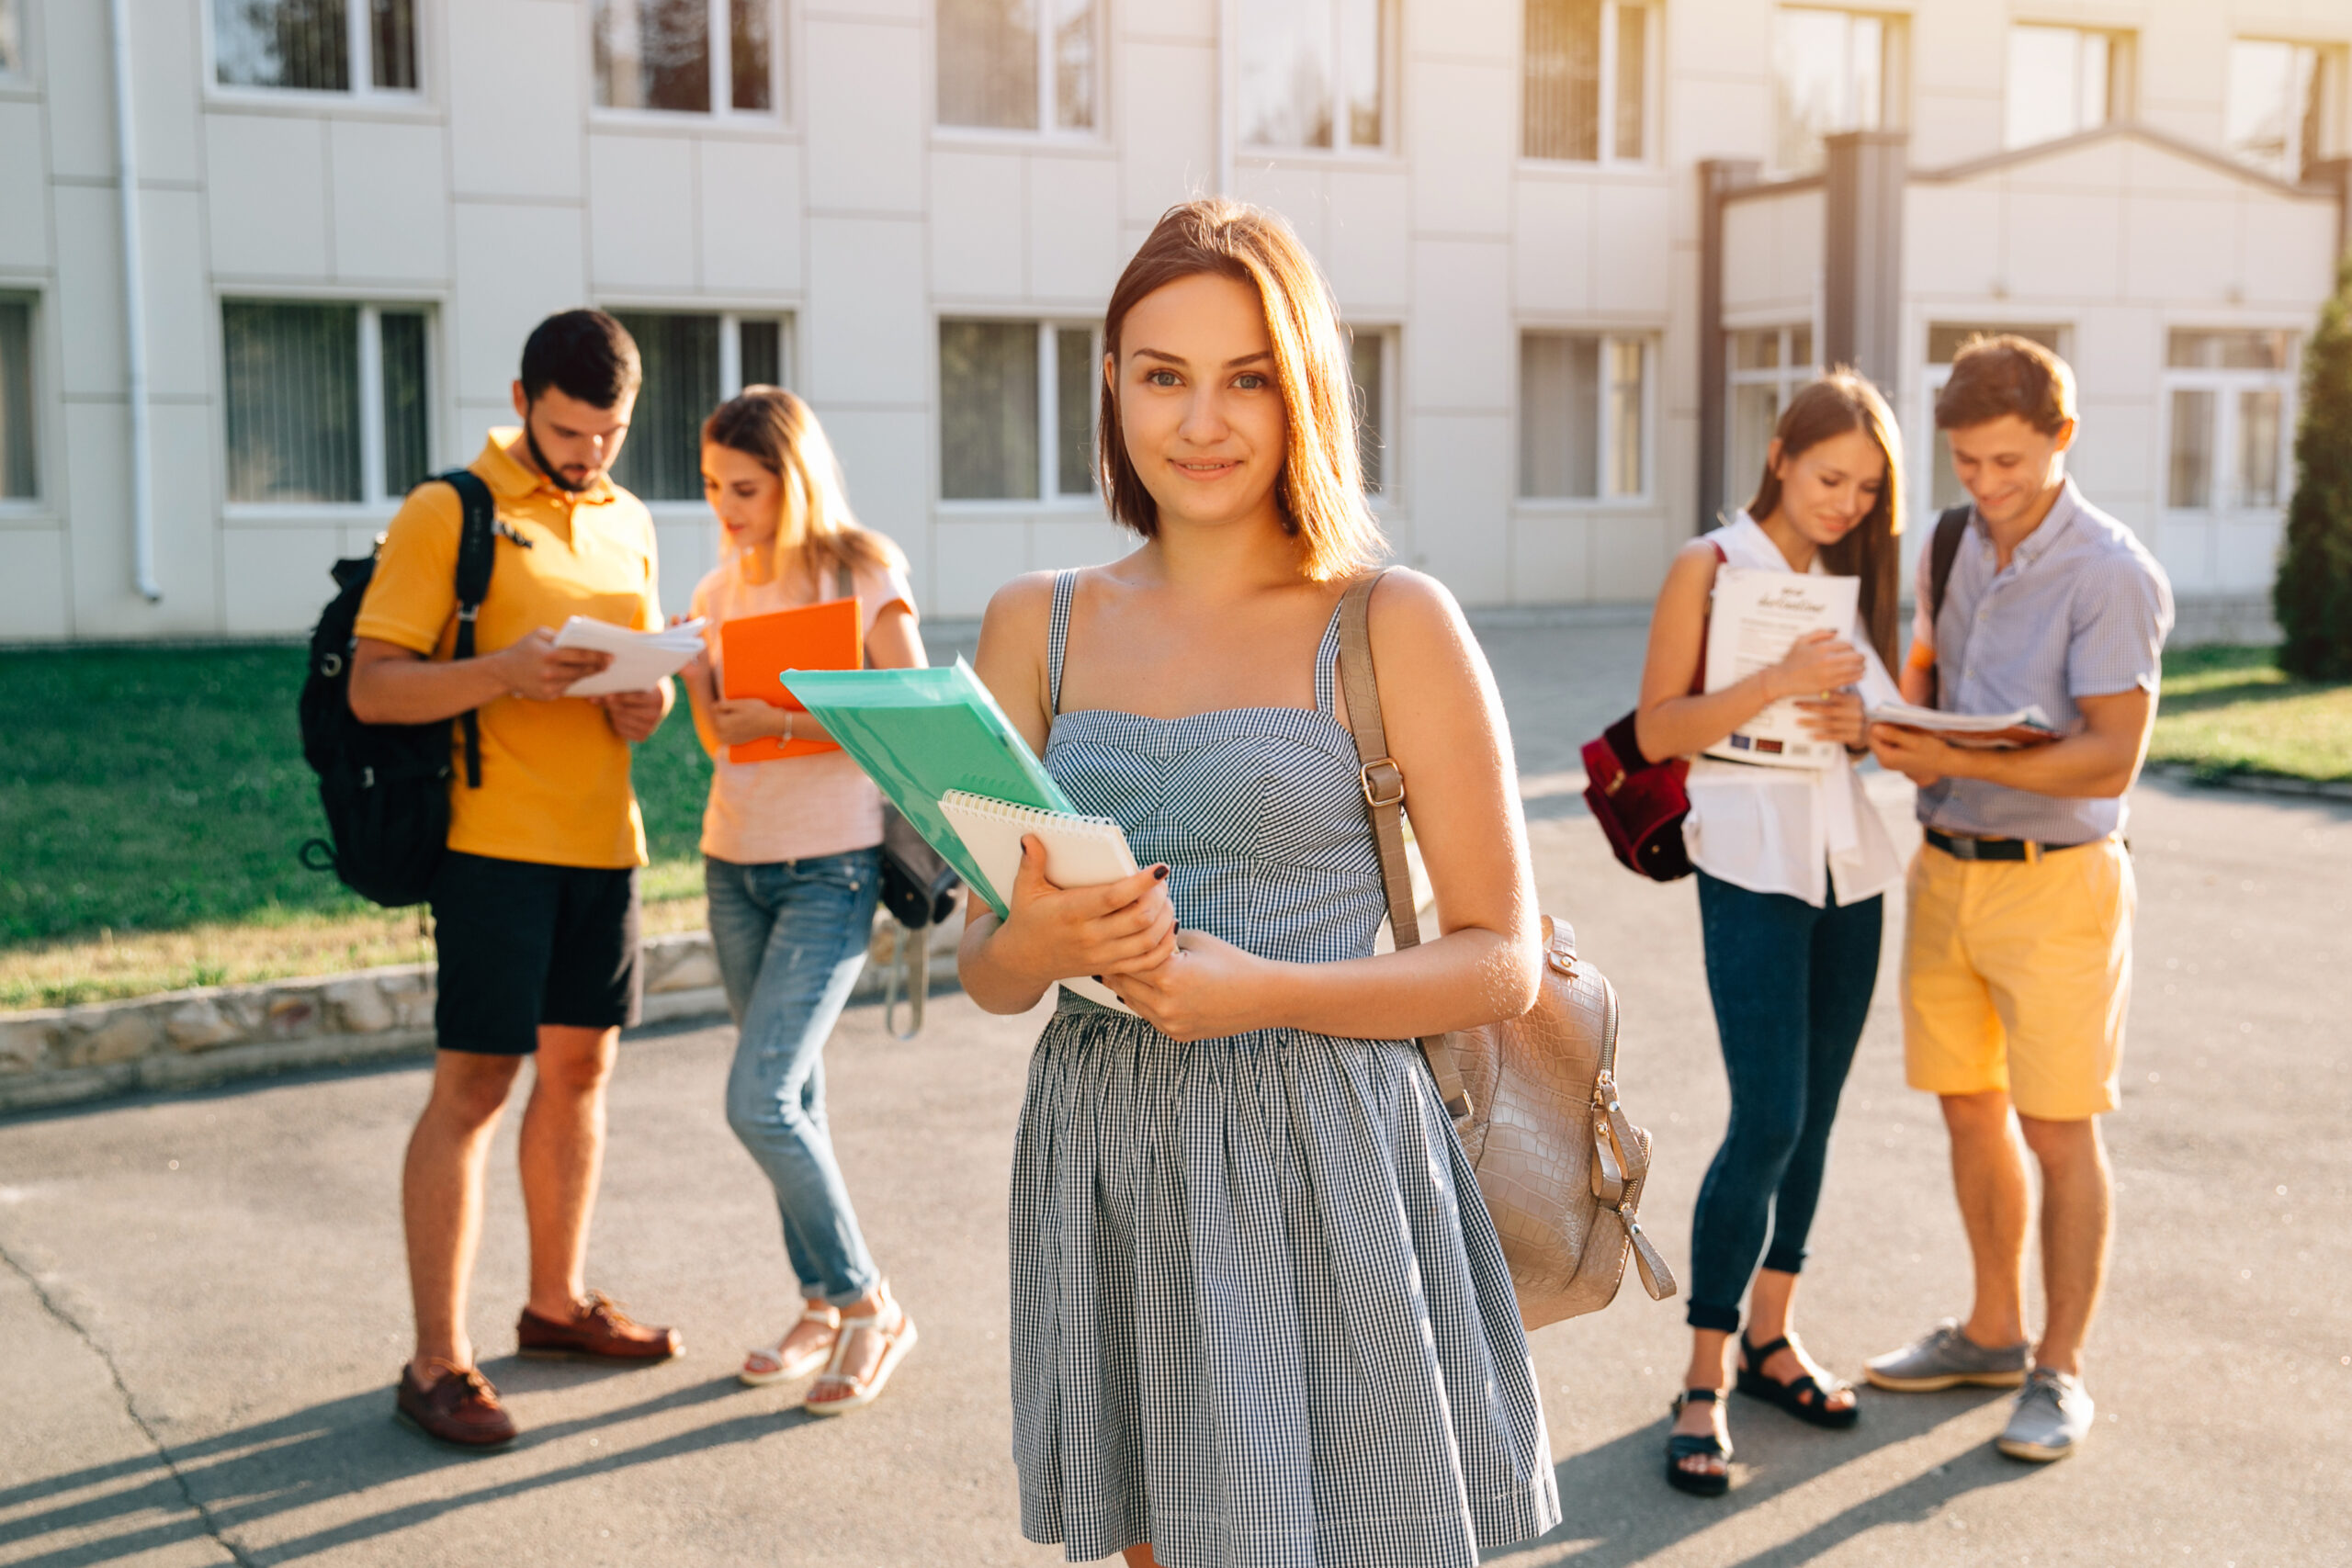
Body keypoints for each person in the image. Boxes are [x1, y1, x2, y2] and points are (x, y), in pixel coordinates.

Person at [957, 199, 1559, 1568]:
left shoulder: (1389, 619)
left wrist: (1264, 989)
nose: (1202, 420)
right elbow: (981, 972)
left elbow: (1501, 958)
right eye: (1163, 374)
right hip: (1112, 1144)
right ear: (1112, 386)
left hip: (1332, 1143)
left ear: (1307, 395)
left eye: (1250, 378)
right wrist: (1039, 940)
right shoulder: (1032, 623)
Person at [350, 310, 680, 1449]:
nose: (589, 455)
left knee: (580, 1077)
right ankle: (435, 1361)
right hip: (491, 847)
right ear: (522, 399)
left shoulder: (631, 519)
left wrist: (651, 700)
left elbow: (641, 673)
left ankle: (554, 1304)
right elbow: (375, 689)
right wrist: (503, 672)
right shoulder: (452, 511)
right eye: (568, 430)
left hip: (606, 841)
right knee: (477, 1088)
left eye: (610, 434)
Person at [1865, 335, 2173, 1464]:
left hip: (2060, 889)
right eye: (1967, 463)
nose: (1986, 487)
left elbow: (2107, 762)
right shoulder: (1949, 541)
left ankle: (2059, 1368)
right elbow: (1928, 676)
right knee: (1965, 1108)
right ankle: (1992, 1331)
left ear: (2062, 439)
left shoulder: (2112, 572)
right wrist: (1902, 724)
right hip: (1945, 869)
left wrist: (1966, 761)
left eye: (2008, 462)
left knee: (2057, 1128)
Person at [1634, 373, 1907, 1495]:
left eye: (1866, 488)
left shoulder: (1852, 580)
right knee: (1768, 1117)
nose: (1845, 502)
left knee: (1820, 1116)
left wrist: (1860, 724)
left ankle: (1771, 1339)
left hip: (1851, 870)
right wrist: (1779, 680)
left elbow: (1884, 729)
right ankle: (1700, 1379)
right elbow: (1658, 728)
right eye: (1829, 476)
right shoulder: (1708, 567)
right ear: (1780, 454)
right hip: (1748, 869)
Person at [677, 387, 925, 1415]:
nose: (725, 508)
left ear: (793, 476)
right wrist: (691, 678)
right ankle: (820, 1303)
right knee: (798, 1098)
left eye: (744, 488)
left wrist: (781, 723)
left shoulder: (861, 567)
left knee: (759, 1098)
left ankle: (871, 1305)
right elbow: (717, 742)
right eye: (710, 488)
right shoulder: (715, 587)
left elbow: (911, 714)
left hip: (832, 863)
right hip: (733, 859)